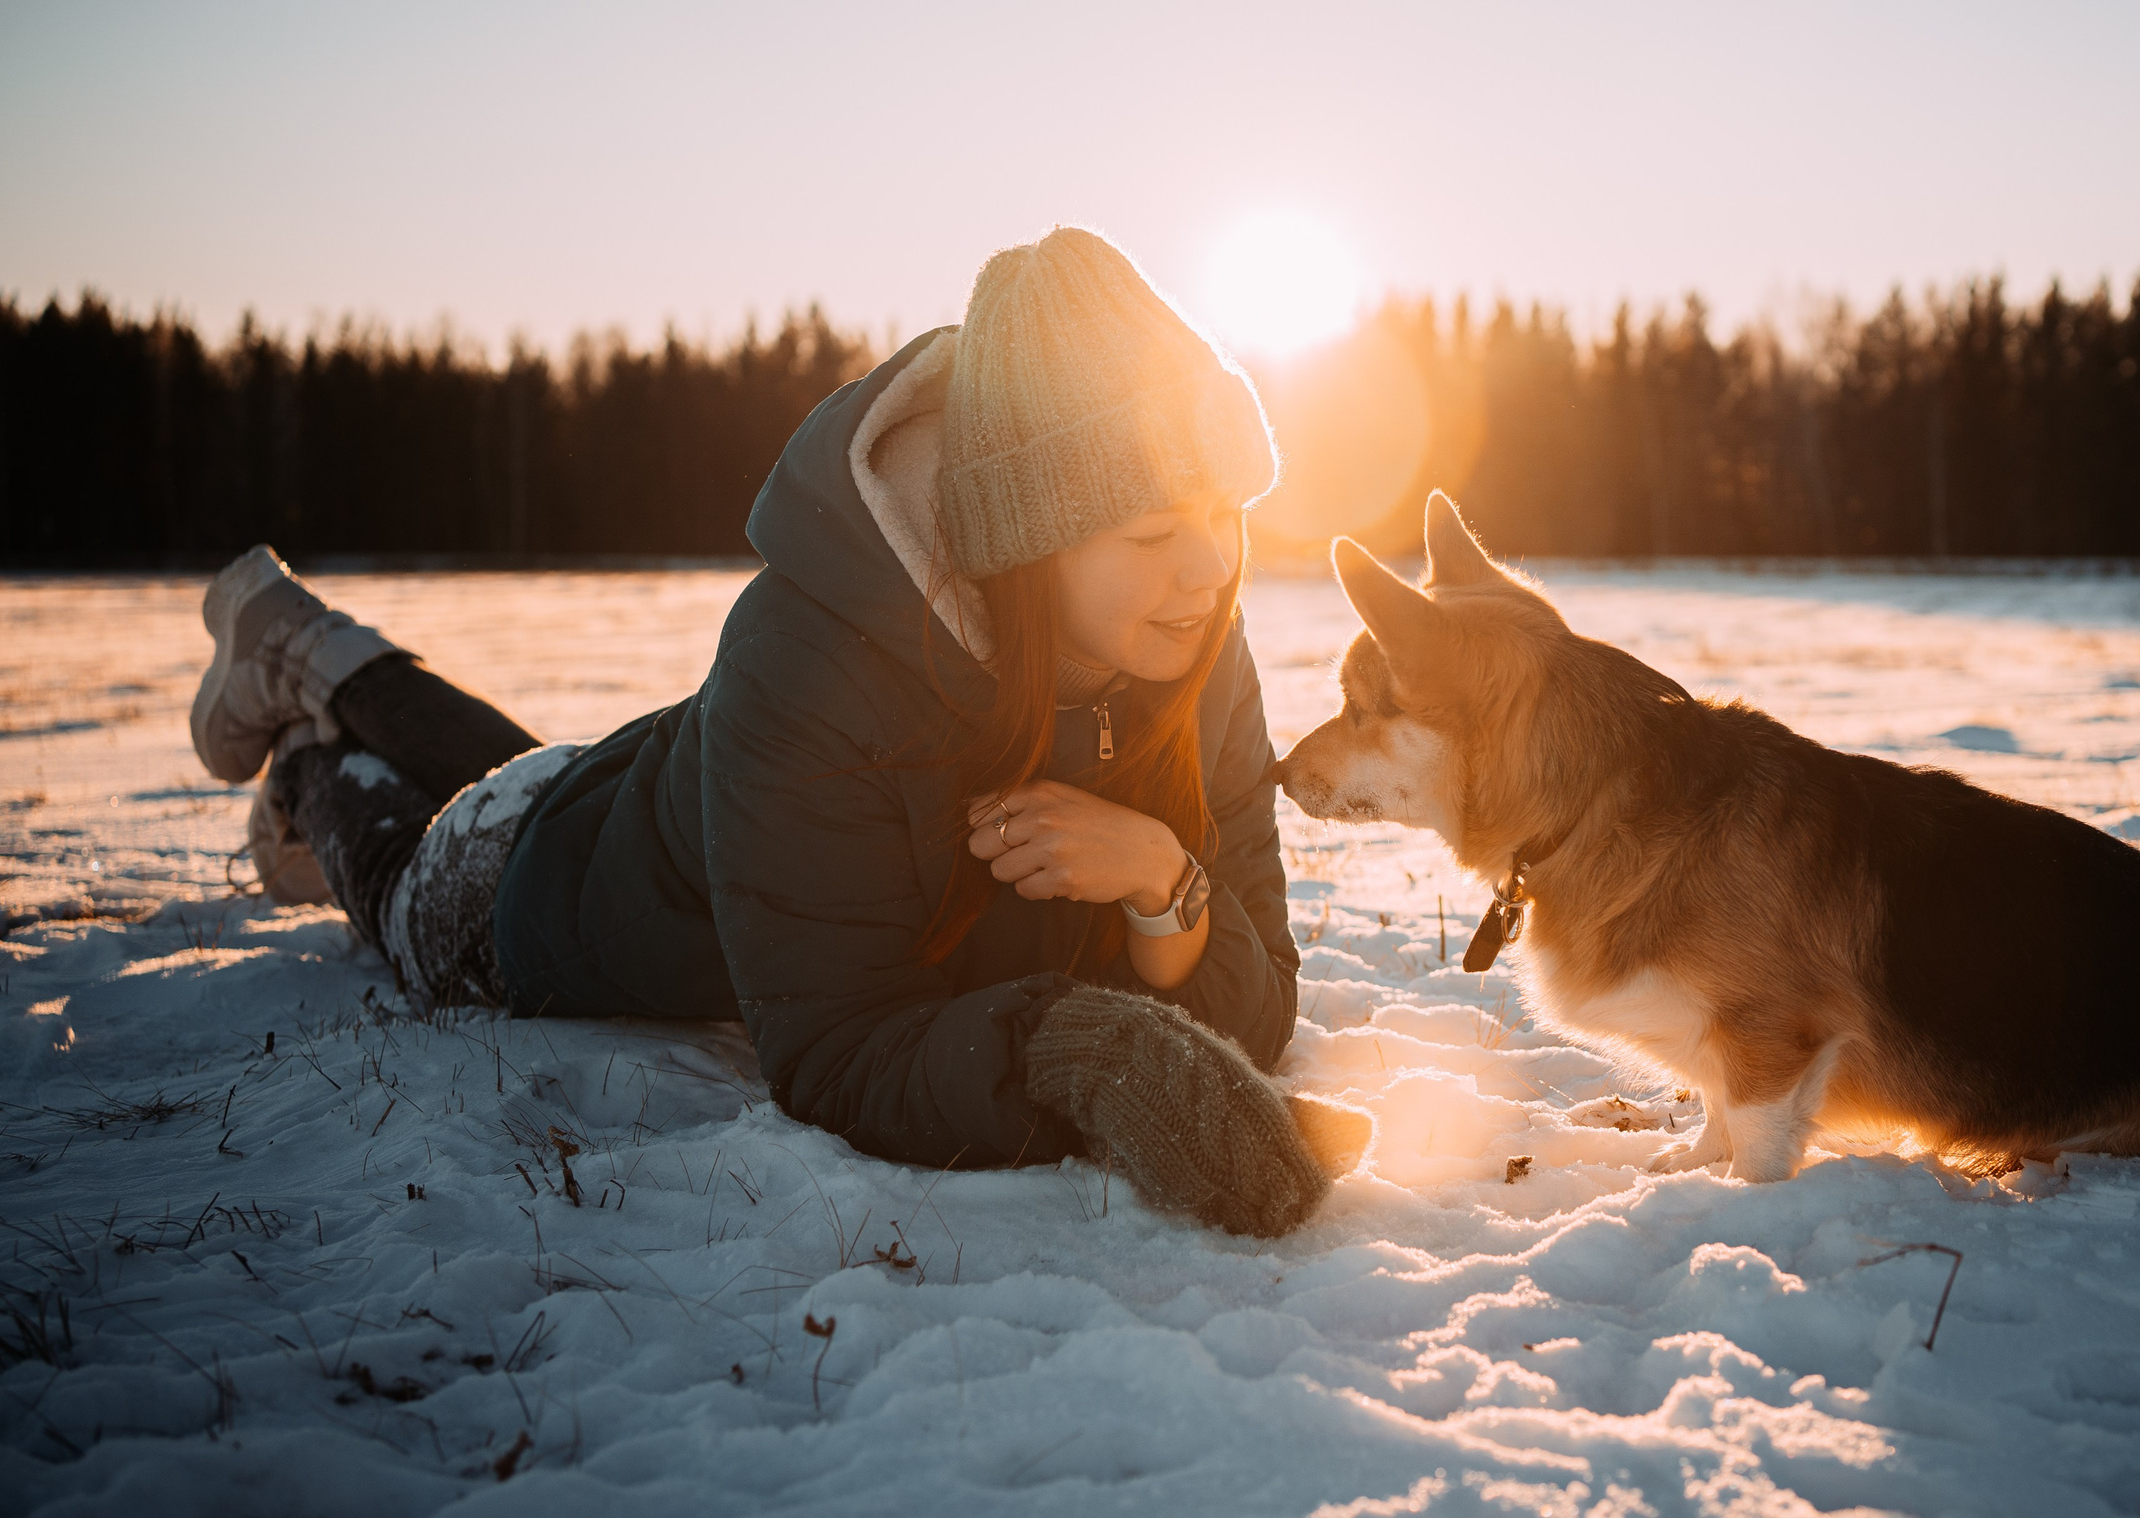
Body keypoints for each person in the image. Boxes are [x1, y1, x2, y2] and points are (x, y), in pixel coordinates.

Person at [189, 227, 1369, 1236]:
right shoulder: (810, 670)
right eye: (1152, 530)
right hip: (533, 895)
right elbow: (837, 1053)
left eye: (1221, 512)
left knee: (514, 769)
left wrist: (1161, 878)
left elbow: (1257, 1003)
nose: (1209, 567)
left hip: (658, 793)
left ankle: (312, 651)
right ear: (1030, 538)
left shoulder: (1194, 647)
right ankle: (303, 759)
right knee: (410, 867)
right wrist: (1078, 1052)